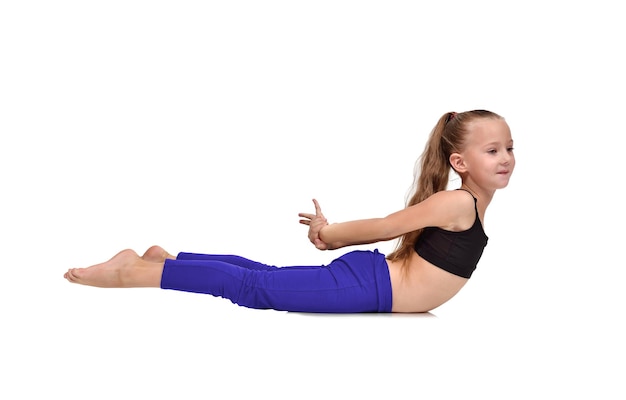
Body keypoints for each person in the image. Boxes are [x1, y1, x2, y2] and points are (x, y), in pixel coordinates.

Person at [64, 109, 515, 313]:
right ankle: (136, 273)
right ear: (460, 162)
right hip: (370, 286)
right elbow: (385, 226)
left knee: (265, 276)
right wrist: (332, 233)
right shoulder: (458, 202)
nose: (505, 158)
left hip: (372, 283)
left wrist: (331, 233)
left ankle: (172, 261)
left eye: (509, 148)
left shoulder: (468, 205)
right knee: (258, 289)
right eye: (492, 150)